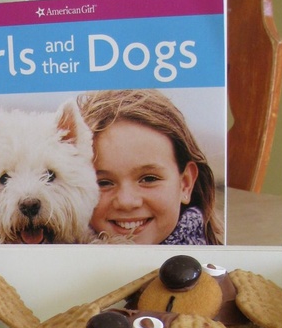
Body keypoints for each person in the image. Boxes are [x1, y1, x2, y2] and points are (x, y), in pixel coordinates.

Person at [78, 89, 223, 245]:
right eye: (103, 183)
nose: (127, 202)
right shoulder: (55, 260)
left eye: (149, 179)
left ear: (185, 184)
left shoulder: (217, 264)